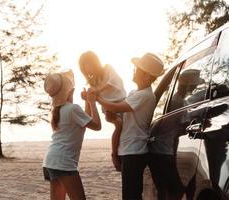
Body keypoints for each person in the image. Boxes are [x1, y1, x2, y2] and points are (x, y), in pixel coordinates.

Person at [96, 52, 164, 200]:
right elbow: (120, 114)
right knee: (130, 193)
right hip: (129, 150)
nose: (134, 70)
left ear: (147, 76)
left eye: (137, 69)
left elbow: (116, 107)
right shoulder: (135, 93)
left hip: (135, 151)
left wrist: (97, 98)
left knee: (131, 195)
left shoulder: (145, 95)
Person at [42, 70, 101, 200]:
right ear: (70, 91)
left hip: (50, 161)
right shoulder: (73, 109)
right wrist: (92, 102)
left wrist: (86, 101)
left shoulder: (57, 110)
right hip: (64, 163)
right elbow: (97, 126)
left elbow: (85, 120)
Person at [79, 50, 127, 171]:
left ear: (94, 62)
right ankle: (114, 154)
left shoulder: (108, 68)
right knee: (119, 125)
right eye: (84, 68)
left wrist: (97, 90)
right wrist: (87, 98)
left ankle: (121, 153)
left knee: (126, 129)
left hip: (122, 102)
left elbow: (112, 83)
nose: (87, 69)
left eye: (88, 65)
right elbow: (87, 114)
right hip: (108, 106)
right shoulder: (92, 83)